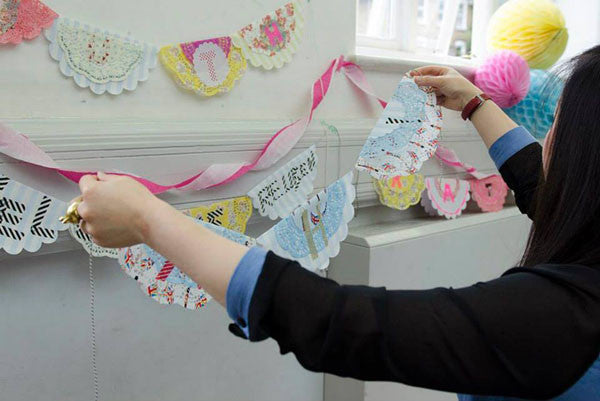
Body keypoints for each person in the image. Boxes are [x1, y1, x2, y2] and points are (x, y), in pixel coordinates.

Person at [73, 47, 600, 401]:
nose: (546, 135)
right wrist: (473, 102)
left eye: (556, 124)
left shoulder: (555, 319)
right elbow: (542, 187)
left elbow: (341, 323)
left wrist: (146, 218)